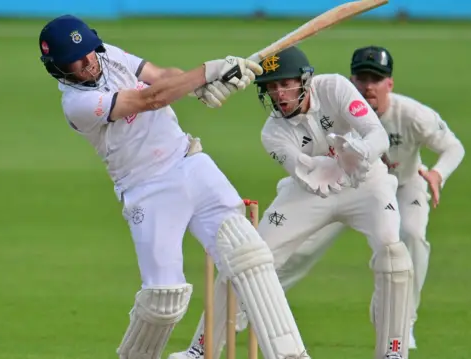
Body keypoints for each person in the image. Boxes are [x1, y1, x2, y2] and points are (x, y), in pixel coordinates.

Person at [38, 14, 313, 359]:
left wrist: (202, 84)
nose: (87, 64)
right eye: (74, 62)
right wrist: (207, 71)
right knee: (163, 300)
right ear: (57, 69)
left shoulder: (106, 53)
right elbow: (149, 99)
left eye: (88, 54)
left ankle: (291, 355)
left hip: (189, 161)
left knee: (250, 256)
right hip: (147, 189)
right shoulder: (76, 104)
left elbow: (162, 78)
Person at [170, 46, 414, 359]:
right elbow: (308, 174)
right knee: (246, 258)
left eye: (286, 84)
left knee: (393, 253)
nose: (279, 94)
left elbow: (376, 134)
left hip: (368, 183)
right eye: (271, 87)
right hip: (312, 190)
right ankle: (201, 349)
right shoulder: (272, 132)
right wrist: (335, 162)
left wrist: (360, 152)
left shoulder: (335, 87)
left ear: (305, 80)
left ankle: (393, 352)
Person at [257, 45, 466, 349]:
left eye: (377, 79)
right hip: (342, 185)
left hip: (407, 183)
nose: (369, 86)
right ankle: (254, 305)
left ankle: (403, 321)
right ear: (353, 80)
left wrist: (438, 173)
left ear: (390, 83)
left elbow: (453, 147)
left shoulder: (412, 114)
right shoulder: (340, 103)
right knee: (300, 250)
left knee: (410, 237)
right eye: (363, 78)